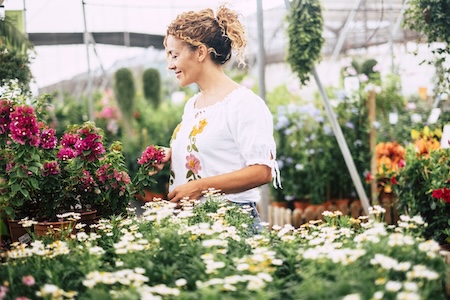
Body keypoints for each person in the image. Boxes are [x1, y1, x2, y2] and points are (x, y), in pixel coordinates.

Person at [154, 4, 281, 229]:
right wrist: (171, 154)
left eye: (175, 55)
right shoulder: (193, 105)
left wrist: (199, 187)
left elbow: (262, 170)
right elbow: (216, 154)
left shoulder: (243, 103)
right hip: (194, 222)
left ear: (201, 52)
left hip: (230, 221)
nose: (170, 65)